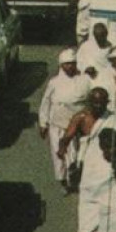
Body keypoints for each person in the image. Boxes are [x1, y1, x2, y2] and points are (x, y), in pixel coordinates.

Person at [38, 49, 92, 188]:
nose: (70, 67)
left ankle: (73, 178)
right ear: (61, 66)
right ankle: (62, 181)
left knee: (75, 155)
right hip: (57, 125)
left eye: (72, 64)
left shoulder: (84, 80)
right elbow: (46, 103)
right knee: (59, 155)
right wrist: (43, 123)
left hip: (76, 128)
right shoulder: (54, 83)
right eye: (67, 64)